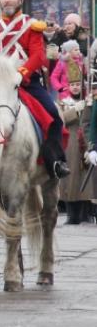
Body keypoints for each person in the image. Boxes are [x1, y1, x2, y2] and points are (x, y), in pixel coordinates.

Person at [0, 0, 69, 179]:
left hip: (26, 82)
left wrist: (21, 73)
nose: (7, 0)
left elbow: (38, 55)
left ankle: (55, 160)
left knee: (53, 115)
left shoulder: (31, 26)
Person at [59, 79, 94, 224]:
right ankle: (72, 215)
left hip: (86, 143)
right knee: (71, 181)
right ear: (68, 86)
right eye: (72, 85)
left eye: (78, 84)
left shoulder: (89, 100)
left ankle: (87, 213)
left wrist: (88, 106)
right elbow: (61, 120)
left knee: (87, 180)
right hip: (71, 143)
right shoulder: (63, 102)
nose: (75, 87)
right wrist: (75, 110)